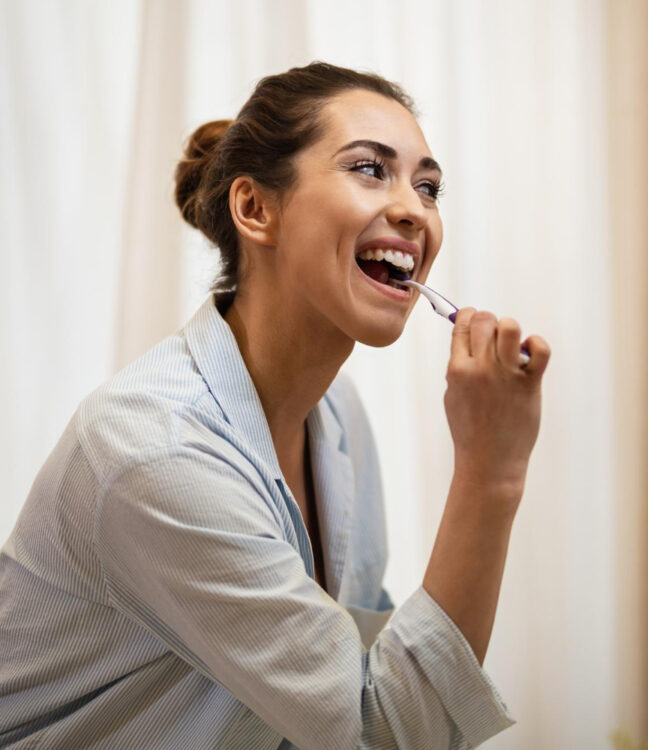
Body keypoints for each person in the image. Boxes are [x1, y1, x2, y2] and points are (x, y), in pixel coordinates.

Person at [0, 61, 550, 749]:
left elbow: (353, 675)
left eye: (429, 186)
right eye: (370, 169)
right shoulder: (154, 450)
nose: (414, 209)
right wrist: (491, 472)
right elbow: (378, 731)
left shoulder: (337, 416)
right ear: (256, 209)